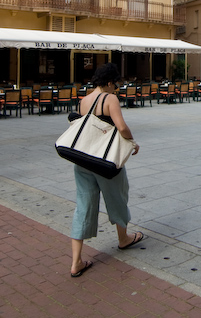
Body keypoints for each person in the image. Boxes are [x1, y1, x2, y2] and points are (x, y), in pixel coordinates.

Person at [69, 63, 142, 277]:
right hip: (106, 161)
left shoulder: (84, 101)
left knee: (83, 205)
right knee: (117, 197)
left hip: (83, 160)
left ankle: (76, 262)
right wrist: (132, 142)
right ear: (109, 82)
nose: (116, 89)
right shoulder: (109, 99)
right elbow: (121, 127)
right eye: (115, 84)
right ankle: (123, 239)